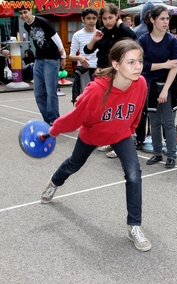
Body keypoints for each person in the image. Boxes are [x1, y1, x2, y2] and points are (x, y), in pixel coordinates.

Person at [40, 39, 151, 252]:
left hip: (120, 134)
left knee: (134, 173)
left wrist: (130, 129)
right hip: (92, 135)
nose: (138, 66)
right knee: (74, 164)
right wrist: (53, 130)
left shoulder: (141, 84)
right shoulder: (97, 91)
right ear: (116, 64)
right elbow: (74, 118)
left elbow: (137, 112)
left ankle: (134, 226)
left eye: (140, 61)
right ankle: (54, 182)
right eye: (131, 62)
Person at [84, 3, 137, 158]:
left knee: (118, 109)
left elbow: (134, 37)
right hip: (102, 73)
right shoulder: (101, 32)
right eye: (105, 18)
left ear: (116, 17)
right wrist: (94, 38)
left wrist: (120, 24)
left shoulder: (122, 32)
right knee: (106, 109)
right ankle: (110, 139)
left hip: (117, 74)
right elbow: (88, 50)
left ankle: (121, 142)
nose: (107, 21)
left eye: (111, 17)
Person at [138, 5, 177, 169]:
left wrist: (165, 90)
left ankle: (171, 155)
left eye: (167, 18)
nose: (166, 22)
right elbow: (142, 65)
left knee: (168, 123)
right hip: (150, 86)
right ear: (152, 20)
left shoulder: (172, 40)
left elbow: (174, 66)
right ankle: (157, 153)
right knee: (154, 122)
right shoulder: (143, 40)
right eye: (162, 18)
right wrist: (164, 64)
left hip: (168, 86)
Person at [18, 7, 66, 126]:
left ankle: (54, 120)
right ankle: (47, 119)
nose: (23, 15)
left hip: (51, 58)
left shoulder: (42, 21)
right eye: (20, 13)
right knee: (38, 92)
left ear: (30, 11)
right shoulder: (26, 26)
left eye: (25, 12)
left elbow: (56, 37)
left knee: (51, 91)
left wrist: (63, 56)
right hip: (39, 59)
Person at [133, 2, 155, 150]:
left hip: (138, 74)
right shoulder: (153, 31)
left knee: (139, 109)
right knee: (152, 110)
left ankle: (139, 138)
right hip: (152, 74)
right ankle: (151, 138)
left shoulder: (135, 32)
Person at [69, 8, 98, 105]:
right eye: (88, 18)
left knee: (99, 99)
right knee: (86, 99)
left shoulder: (100, 34)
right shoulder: (77, 35)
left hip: (99, 71)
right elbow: (71, 56)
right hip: (84, 70)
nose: (91, 21)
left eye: (94, 18)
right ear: (83, 19)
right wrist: (79, 58)